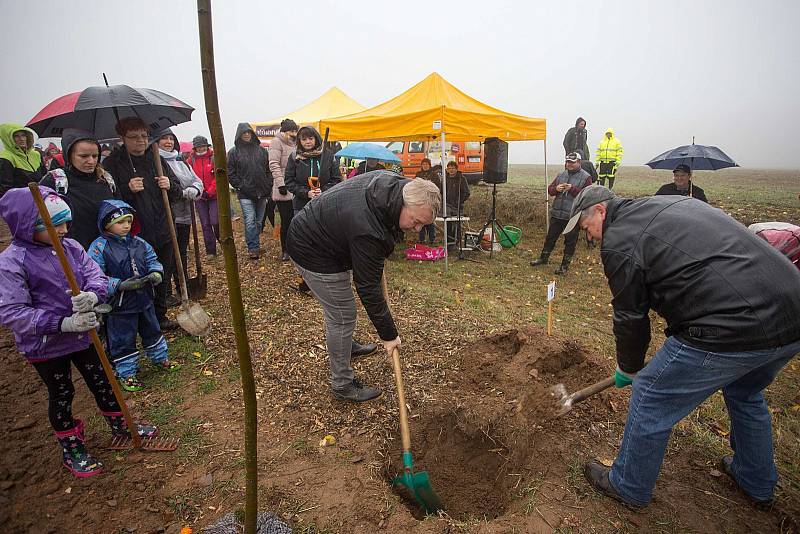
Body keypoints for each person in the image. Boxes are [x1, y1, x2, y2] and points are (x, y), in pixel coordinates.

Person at [563, 185, 800, 510]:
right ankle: (755, 481)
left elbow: (630, 315)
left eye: (586, 228)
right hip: (791, 312)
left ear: (601, 212)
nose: (589, 238)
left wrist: (629, 367)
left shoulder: (619, 241)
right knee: (744, 393)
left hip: (734, 324)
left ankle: (628, 486)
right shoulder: (661, 205)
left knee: (650, 394)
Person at [0, 187, 157, 478]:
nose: (63, 229)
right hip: (45, 346)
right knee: (61, 392)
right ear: (26, 225)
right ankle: (71, 445)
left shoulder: (71, 247)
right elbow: (12, 312)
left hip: (84, 334)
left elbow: (94, 276)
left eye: (65, 222)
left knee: (103, 379)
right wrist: (61, 323)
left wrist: (94, 296)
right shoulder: (12, 262)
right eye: (53, 224)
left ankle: (121, 424)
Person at [287, 173, 441, 402]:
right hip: (311, 248)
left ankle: (345, 344)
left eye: (423, 225)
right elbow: (367, 286)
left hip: (333, 237)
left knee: (343, 312)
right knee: (342, 315)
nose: (417, 229)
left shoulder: (394, 186)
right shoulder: (368, 229)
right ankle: (342, 384)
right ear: (403, 202)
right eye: (416, 221)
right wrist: (389, 335)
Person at [101, 117, 183, 331]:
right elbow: (107, 201)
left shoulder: (156, 158)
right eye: (134, 137)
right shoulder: (112, 163)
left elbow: (176, 190)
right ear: (122, 138)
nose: (141, 141)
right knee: (139, 276)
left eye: (144, 136)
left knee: (162, 272)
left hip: (164, 226)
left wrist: (169, 185)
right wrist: (127, 189)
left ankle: (160, 314)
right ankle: (141, 318)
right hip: (134, 232)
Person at [88, 200, 179, 392]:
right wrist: (117, 285)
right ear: (107, 224)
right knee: (122, 338)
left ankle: (160, 358)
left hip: (144, 299)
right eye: (121, 222)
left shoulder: (139, 243)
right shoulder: (99, 247)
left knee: (152, 329)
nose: (126, 226)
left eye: (129, 221)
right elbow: (94, 276)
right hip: (120, 305)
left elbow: (152, 259)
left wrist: (156, 272)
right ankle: (127, 372)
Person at [40, 129, 119, 250]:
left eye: (95, 156)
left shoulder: (106, 179)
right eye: (84, 156)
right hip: (69, 252)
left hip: (106, 252)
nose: (91, 161)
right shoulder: (55, 180)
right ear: (69, 155)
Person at [153, 129, 203, 301]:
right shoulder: (155, 162)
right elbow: (173, 185)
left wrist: (194, 189)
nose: (168, 142)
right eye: (164, 139)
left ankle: (182, 286)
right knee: (167, 254)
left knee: (181, 251)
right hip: (167, 214)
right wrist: (182, 191)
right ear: (156, 142)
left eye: (171, 138)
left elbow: (196, 181)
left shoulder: (181, 161)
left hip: (184, 214)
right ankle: (165, 291)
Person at [530, 152, 592, 274]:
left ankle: (564, 266)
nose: (569, 164)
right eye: (567, 162)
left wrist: (572, 189)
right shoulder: (561, 175)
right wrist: (556, 189)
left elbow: (588, 195)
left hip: (572, 216)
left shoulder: (586, 177)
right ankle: (543, 258)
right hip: (557, 213)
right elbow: (550, 190)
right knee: (550, 238)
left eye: (572, 162)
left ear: (579, 162)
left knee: (570, 242)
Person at [227, 123, 272, 260]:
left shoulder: (262, 151)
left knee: (259, 222)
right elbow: (231, 173)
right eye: (243, 132)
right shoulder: (234, 152)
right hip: (245, 193)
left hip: (262, 191)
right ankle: (253, 248)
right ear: (239, 135)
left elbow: (268, 170)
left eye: (248, 132)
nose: (246, 134)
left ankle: (255, 241)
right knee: (250, 220)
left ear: (252, 133)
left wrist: (268, 184)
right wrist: (240, 186)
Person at [268, 119, 298, 261]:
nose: (293, 133)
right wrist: (281, 184)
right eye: (291, 131)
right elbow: (274, 164)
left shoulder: (296, 144)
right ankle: (285, 249)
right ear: (284, 131)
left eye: (294, 131)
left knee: (296, 219)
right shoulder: (276, 142)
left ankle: (296, 247)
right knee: (286, 220)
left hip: (296, 186)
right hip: (284, 187)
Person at [186, 135, 219, 256]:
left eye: (202, 146)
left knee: (215, 221)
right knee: (205, 224)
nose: (200, 149)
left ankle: (223, 240)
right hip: (199, 196)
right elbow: (189, 176)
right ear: (195, 148)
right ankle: (211, 250)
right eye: (198, 147)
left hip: (214, 196)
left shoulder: (213, 158)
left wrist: (209, 191)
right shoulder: (191, 160)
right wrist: (197, 191)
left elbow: (217, 177)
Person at [434, 161, 470, 250]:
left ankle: (456, 242)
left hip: (458, 207)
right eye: (449, 168)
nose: (451, 170)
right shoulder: (445, 179)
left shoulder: (462, 179)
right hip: (447, 206)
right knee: (448, 224)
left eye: (453, 168)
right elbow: (441, 192)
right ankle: (449, 243)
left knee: (457, 225)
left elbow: (467, 193)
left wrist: (460, 201)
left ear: (456, 169)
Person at [0, 123, 45, 196]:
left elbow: (44, 176)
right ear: (8, 139)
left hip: (41, 198)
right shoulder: (6, 158)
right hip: (20, 202)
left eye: (23, 135)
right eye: (16, 136)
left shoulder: (36, 154)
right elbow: (5, 190)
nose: (22, 139)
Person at [414, 158, 438, 244]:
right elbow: (414, 186)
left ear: (429, 165)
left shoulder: (434, 175)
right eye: (423, 164)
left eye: (427, 164)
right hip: (420, 201)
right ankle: (421, 239)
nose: (425, 166)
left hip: (431, 200)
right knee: (420, 220)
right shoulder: (418, 174)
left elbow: (438, 187)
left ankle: (432, 238)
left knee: (430, 220)